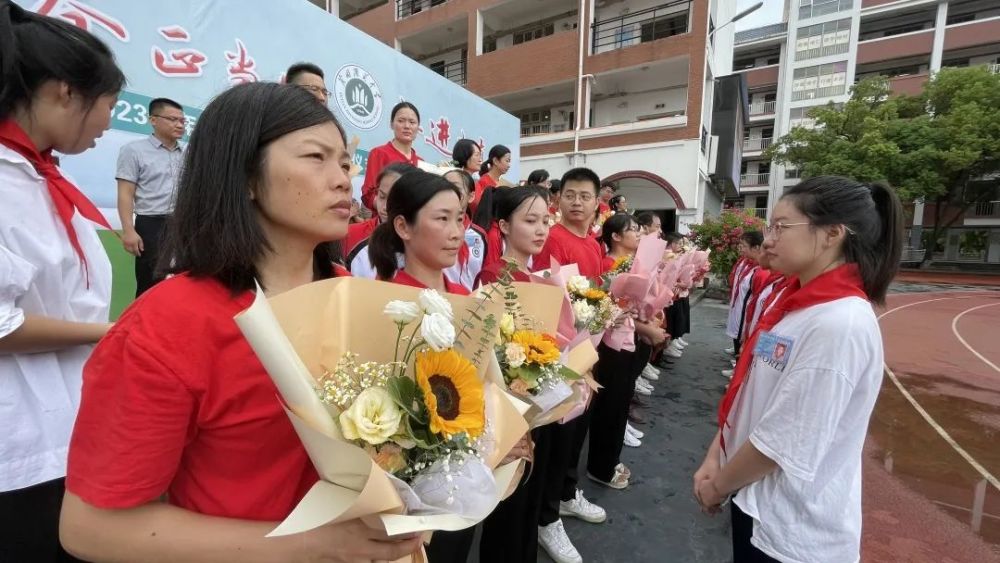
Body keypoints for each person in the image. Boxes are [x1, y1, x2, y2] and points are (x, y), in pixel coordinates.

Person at [59, 82, 421, 563]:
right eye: (316, 157)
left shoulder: (367, 303)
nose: (342, 180)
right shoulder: (167, 325)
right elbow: (90, 527)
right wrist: (314, 545)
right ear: (246, 176)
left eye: (344, 162)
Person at [694, 176, 903, 563]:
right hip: (756, 501)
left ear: (832, 234)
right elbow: (753, 394)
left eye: (780, 226)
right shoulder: (799, 305)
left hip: (791, 532)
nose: (768, 238)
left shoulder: (840, 324)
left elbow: (783, 441)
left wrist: (719, 485)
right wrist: (715, 455)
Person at [0, 4, 123, 560]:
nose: (108, 125)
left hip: (67, 427)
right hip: (21, 445)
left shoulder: (39, 177)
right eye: (109, 106)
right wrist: (107, 334)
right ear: (63, 94)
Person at [367, 169, 474, 563]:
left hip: (466, 475)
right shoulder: (388, 305)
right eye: (441, 218)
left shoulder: (468, 298)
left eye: (460, 218)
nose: (456, 231)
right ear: (403, 227)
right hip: (413, 490)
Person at [532, 167, 608, 563]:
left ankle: (565, 495)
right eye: (571, 195)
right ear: (558, 199)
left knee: (575, 436)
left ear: (598, 202)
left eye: (585, 196)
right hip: (558, 357)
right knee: (558, 440)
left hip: (585, 352)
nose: (577, 202)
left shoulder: (593, 244)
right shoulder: (553, 240)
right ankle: (547, 519)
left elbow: (592, 298)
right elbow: (550, 302)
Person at [476, 186, 552, 563]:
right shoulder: (495, 278)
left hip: (534, 408)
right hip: (508, 414)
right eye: (530, 221)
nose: (541, 230)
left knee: (526, 504)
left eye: (545, 221)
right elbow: (490, 356)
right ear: (504, 226)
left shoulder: (538, 278)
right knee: (508, 507)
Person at [116, 97, 185, 296]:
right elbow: (125, 193)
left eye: (182, 121)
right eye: (172, 119)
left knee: (186, 280)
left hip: (184, 223)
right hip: (152, 224)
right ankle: (146, 325)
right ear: (153, 120)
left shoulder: (188, 151)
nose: (179, 125)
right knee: (151, 282)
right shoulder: (133, 151)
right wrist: (129, 230)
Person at [345, 162, 416, 274]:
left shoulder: (420, 243)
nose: (385, 207)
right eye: (382, 196)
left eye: (395, 199)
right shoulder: (351, 234)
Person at [361, 101, 421, 212]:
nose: (407, 126)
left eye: (412, 122)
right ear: (391, 124)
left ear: (418, 128)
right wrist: (388, 210)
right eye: (401, 121)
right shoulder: (378, 153)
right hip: (384, 223)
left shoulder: (421, 163)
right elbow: (368, 195)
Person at [723, 231, 763, 376]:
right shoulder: (746, 263)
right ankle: (737, 368)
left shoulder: (759, 270)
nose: (741, 248)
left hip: (746, 314)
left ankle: (738, 371)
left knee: (742, 338)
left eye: (744, 245)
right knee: (737, 335)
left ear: (756, 248)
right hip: (739, 309)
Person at [441, 169, 488, 291]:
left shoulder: (480, 236)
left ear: (471, 196)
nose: (450, 193)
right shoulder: (432, 229)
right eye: (444, 188)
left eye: (456, 189)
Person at [470, 144, 510, 216]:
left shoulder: (503, 182)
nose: (509, 165)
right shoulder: (483, 182)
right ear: (495, 161)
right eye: (507, 161)